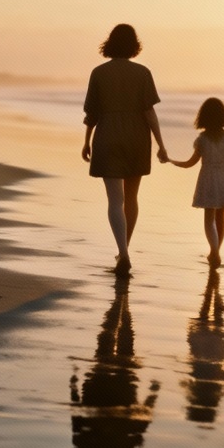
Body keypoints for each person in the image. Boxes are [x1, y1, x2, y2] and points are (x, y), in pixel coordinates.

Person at [82, 24, 168, 274]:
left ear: (109, 43)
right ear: (134, 45)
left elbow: (92, 114)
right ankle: (123, 252)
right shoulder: (143, 73)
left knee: (114, 200)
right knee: (131, 197)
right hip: (137, 138)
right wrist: (161, 145)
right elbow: (149, 112)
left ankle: (123, 252)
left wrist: (87, 141)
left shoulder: (98, 73)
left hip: (107, 134)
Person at [168, 96, 224, 269]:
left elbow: (191, 163)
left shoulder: (202, 140)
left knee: (208, 219)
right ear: (223, 116)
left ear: (203, 117)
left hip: (208, 180)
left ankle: (214, 251)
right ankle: (216, 251)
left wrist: (172, 161)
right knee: (220, 217)